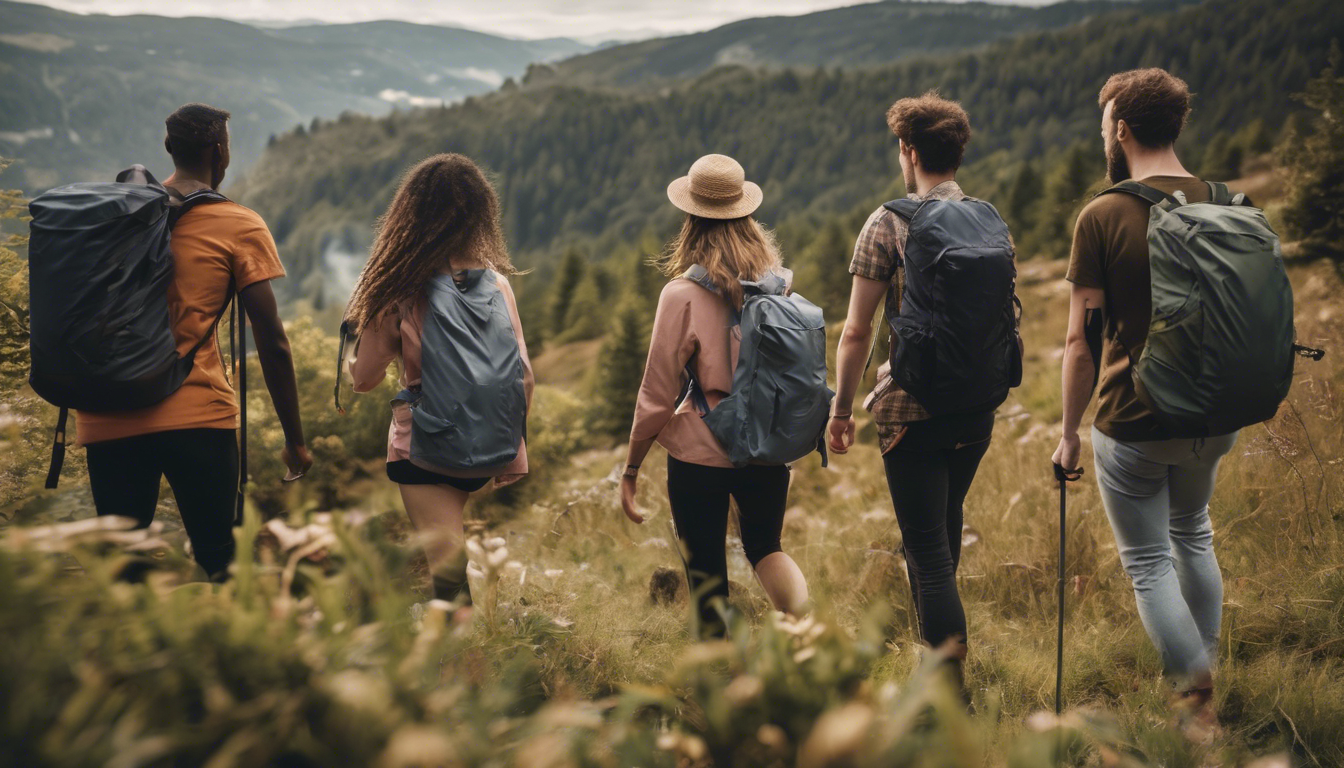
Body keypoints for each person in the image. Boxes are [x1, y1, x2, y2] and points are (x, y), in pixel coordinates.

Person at [1052, 68, 1237, 735]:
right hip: (1215, 415)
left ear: (1123, 130)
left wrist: (1069, 432)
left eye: (1106, 125)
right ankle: (1203, 672)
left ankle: (1198, 705)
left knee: (1150, 561)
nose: (1105, 134)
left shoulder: (1104, 214)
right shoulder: (1227, 201)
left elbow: (1080, 341)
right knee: (1194, 533)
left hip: (1134, 418)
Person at [76, 103, 311, 582]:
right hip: (198, 414)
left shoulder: (114, 219)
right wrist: (295, 440)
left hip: (109, 413)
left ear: (169, 148)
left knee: (124, 570)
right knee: (224, 559)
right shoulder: (238, 224)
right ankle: (230, 654)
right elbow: (272, 339)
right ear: (219, 151)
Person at [829, 92, 1008, 688]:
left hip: (912, 409)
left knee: (927, 555)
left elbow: (856, 331)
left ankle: (951, 699)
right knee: (944, 535)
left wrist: (841, 409)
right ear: (956, 152)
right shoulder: (988, 217)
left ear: (908, 151)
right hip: (978, 406)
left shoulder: (889, 222)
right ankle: (933, 661)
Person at [621, 154, 810, 639]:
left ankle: (719, 676)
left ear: (691, 221)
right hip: (766, 448)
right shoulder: (780, 286)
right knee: (767, 546)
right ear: (747, 218)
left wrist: (632, 466)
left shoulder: (681, 294)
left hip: (699, 453)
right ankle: (806, 636)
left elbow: (657, 394)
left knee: (706, 571)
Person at [346, 153, 533, 618]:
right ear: (479, 214)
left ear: (409, 214)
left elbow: (363, 379)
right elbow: (524, 376)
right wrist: (512, 451)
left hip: (424, 449)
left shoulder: (398, 287)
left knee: (447, 574)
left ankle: (467, 671)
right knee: (456, 561)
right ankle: (471, 660)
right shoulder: (497, 283)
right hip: (490, 446)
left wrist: (356, 339)